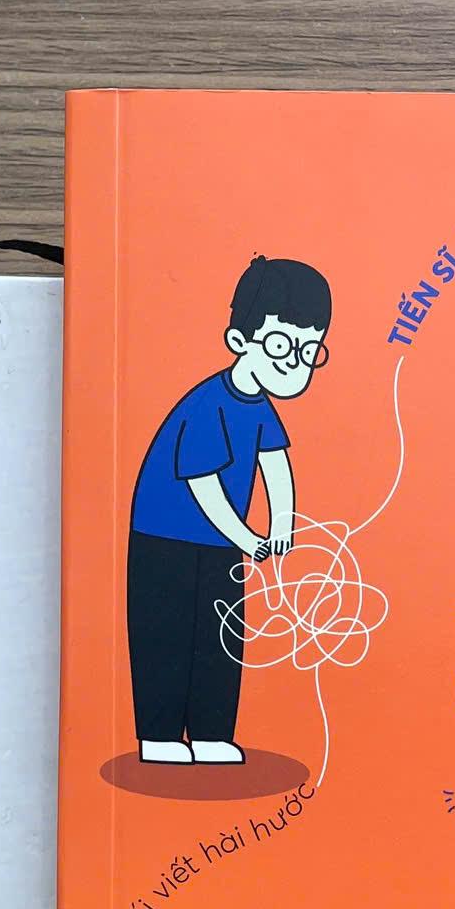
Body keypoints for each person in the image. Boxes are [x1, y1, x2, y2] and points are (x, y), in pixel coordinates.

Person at [124, 254, 332, 764]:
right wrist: (247, 538)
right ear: (240, 340)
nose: (294, 361)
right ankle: (160, 736)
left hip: (221, 544)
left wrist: (282, 525)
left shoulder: (260, 407)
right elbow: (204, 485)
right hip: (164, 538)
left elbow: (276, 466)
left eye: (309, 350)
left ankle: (212, 733)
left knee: (221, 636)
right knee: (166, 633)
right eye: (281, 344)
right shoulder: (207, 403)